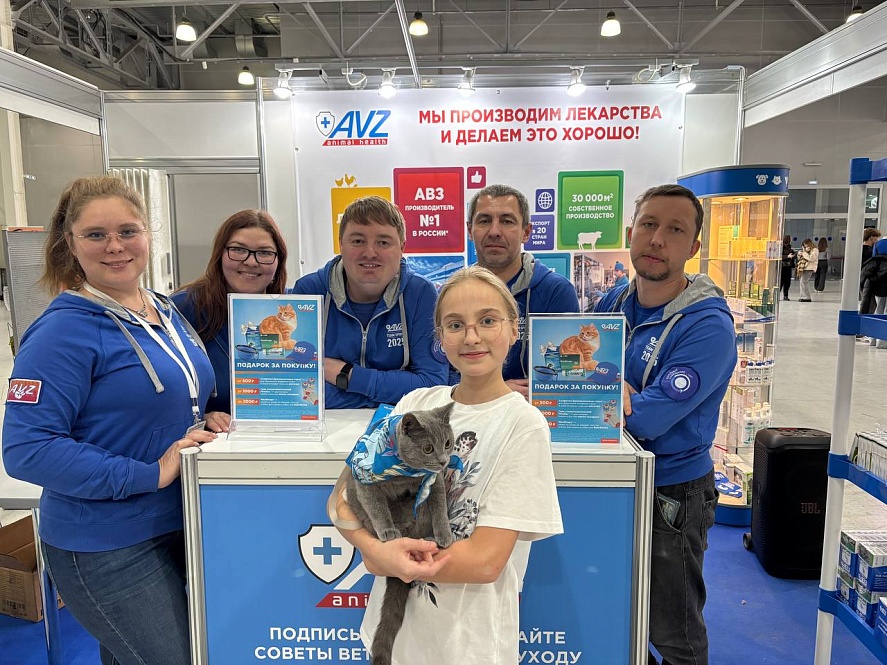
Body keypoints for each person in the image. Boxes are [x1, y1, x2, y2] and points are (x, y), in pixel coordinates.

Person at [2, 176, 217, 665]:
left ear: (147, 235)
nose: (115, 246)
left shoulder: (163, 310)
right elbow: (27, 449)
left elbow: (170, 397)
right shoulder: (62, 332)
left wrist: (207, 415)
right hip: (106, 543)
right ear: (70, 243)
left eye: (127, 231)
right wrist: (149, 473)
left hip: (175, 524)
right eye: (96, 235)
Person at [331, 265, 563, 664]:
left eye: (487, 321)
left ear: (514, 329)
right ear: (440, 338)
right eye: (455, 325)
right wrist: (374, 550)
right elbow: (342, 496)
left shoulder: (522, 424)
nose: (471, 337)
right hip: (397, 637)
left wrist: (389, 559)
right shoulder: (413, 405)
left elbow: (485, 562)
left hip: (467, 645)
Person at [595, 184, 736, 665]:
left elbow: (650, 417)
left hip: (672, 491)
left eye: (675, 230)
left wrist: (606, 393)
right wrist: (606, 390)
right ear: (630, 233)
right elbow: (583, 381)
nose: (657, 239)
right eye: (649, 224)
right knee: (617, 610)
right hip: (615, 479)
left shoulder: (707, 326)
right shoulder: (614, 303)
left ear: (693, 247)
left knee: (672, 629)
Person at [290, 195, 448, 408]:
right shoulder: (309, 292)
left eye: (383, 242)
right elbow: (295, 386)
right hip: (329, 425)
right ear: (340, 244)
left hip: (399, 422)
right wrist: (384, 393)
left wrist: (347, 375)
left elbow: (432, 385)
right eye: (358, 241)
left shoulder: (420, 294)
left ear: (402, 247)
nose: (370, 253)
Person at [172, 210, 288, 433]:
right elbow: (162, 395)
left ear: (278, 262)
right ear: (220, 255)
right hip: (213, 442)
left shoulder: (288, 310)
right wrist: (200, 417)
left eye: (264, 253)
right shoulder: (182, 309)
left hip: (276, 435)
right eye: (238, 250)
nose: (251, 261)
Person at [467, 184, 579, 396]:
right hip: (472, 407)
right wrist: (495, 391)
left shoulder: (556, 292)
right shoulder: (455, 294)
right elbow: (442, 374)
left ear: (526, 232)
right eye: (484, 221)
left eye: (507, 221)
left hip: (534, 411)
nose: (494, 232)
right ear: (469, 230)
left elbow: (567, 376)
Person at [859, 238, 887, 349]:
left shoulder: (874, 260)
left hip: (876, 289)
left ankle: (873, 339)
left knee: (878, 310)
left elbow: (864, 275)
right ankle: (883, 341)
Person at [780, 235, 795, 301]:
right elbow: (780, 256)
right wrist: (787, 256)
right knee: (781, 281)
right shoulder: (781, 247)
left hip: (788, 267)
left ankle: (785, 295)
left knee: (787, 282)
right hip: (782, 267)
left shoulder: (789, 247)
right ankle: (777, 295)